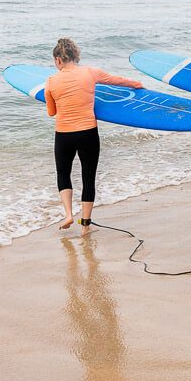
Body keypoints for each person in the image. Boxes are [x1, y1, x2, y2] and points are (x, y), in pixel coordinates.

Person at [45, 37, 143, 235]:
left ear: (58, 60)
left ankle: (68, 214)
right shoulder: (90, 72)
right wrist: (137, 84)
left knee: (63, 174)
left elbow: (51, 112)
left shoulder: (51, 81)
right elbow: (117, 80)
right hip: (88, 132)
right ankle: (85, 226)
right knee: (88, 178)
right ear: (76, 56)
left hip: (64, 135)